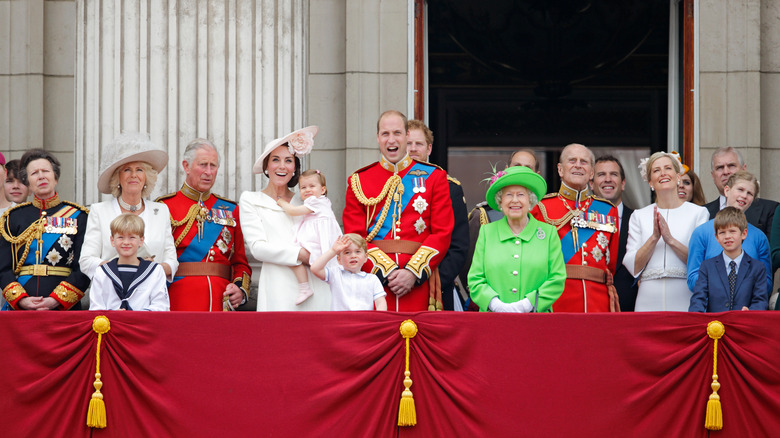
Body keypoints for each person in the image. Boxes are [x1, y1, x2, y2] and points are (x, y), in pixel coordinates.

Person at [342, 110, 453, 312]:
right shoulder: (359, 180)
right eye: (385, 134)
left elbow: (442, 233)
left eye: (397, 133)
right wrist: (387, 271)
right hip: (374, 281)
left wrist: (412, 272)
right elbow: (355, 235)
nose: (391, 140)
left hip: (418, 281)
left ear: (407, 135)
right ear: (377, 137)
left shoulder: (434, 177)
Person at [240, 126, 331, 311]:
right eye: (275, 160)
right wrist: (301, 255)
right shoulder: (251, 200)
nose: (282, 166)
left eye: (288, 160)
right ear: (266, 166)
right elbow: (258, 248)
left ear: (295, 168)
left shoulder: (306, 200)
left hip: (317, 285)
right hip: (278, 286)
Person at [157, 138, 251, 311]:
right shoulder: (164, 207)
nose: (208, 172)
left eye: (213, 166)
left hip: (220, 300)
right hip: (178, 298)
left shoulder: (231, 209)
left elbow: (240, 263)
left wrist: (239, 288)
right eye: (203, 165)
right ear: (186, 166)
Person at [531, 143, 620, 312]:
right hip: (557, 299)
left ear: (591, 172)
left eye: (584, 162)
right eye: (572, 160)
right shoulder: (542, 208)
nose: (578, 165)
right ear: (560, 169)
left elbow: (611, 263)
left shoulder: (608, 210)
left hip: (598, 301)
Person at [80, 132, 178, 282]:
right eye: (127, 170)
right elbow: (86, 261)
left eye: (139, 169)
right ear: (117, 177)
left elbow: (172, 261)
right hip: (111, 293)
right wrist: (120, 268)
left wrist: (151, 269)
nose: (133, 175)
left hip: (149, 294)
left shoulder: (161, 211)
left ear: (146, 177)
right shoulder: (99, 211)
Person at [0, 149, 89, 310]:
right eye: (34, 173)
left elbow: (83, 267)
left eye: (45, 171)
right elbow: (3, 268)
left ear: (55, 177)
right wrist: (21, 300)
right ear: (27, 183)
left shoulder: (79, 216)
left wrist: (57, 300)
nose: (41, 176)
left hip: (64, 308)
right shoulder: (12, 217)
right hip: (21, 308)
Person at [468, 166, 565, 312]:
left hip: (536, 321)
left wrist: (528, 304)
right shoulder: (487, 232)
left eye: (520, 195)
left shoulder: (549, 233)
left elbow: (556, 279)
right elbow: (475, 279)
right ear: (500, 202)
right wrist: (494, 304)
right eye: (508, 195)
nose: (514, 200)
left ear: (530, 200)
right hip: (493, 320)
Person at [623, 152, 709, 311]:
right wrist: (654, 238)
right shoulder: (639, 216)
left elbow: (701, 261)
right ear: (650, 182)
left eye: (668, 168)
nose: (662, 173)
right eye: (656, 170)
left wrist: (670, 240)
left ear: (678, 176)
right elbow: (633, 266)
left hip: (685, 293)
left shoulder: (698, 213)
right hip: (648, 296)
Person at [460, 148, 540, 308]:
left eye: (527, 167)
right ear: (506, 169)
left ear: (537, 174)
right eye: (516, 165)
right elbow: (468, 269)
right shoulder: (483, 216)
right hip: (491, 307)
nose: (520, 170)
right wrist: (491, 301)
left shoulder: (545, 216)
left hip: (534, 310)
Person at [407, 119, 469, 310]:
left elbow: (458, 246)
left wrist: (431, 281)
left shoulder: (450, 188)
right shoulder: (387, 187)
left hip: (436, 288)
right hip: (393, 285)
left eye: (419, 144)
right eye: (408, 143)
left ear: (429, 149)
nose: (413, 149)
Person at [687, 171, 771, 293]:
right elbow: (692, 280)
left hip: (746, 309)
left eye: (749, 193)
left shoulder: (759, 237)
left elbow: (766, 284)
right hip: (712, 309)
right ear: (727, 190)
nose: (744, 195)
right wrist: (725, 286)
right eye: (740, 189)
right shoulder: (702, 232)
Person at [276, 168, 342, 305]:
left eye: (312, 186)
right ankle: (304, 287)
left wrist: (281, 202)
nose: (307, 190)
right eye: (303, 187)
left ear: (322, 190)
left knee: (293, 255)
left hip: (317, 240)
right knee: (293, 256)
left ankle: (304, 287)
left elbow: (293, 211)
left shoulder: (316, 202)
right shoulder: (323, 202)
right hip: (316, 238)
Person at [689, 207, 769, 312]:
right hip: (714, 325)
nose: (727, 236)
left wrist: (751, 312)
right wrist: (698, 318)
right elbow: (698, 299)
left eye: (732, 231)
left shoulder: (757, 267)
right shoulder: (707, 267)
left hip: (744, 324)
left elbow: (761, 300)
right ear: (716, 237)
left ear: (744, 234)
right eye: (722, 232)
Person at [89, 213, 170, 311]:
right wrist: (115, 316)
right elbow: (96, 308)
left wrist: (132, 317)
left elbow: (161, 307)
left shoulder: (155, 271)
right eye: (121, 237)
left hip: (143, 325)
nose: (126, 242)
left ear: (141, 240)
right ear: (112, 240)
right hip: (110, 325)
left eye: (132, 237)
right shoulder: (101, 272)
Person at [589, 155, 638, 311]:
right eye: (601, 174)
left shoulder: (639, 219)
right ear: (591, 183)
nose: (608, 179)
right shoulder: (579, 221)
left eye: (614, 174)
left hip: (630, 309)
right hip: (591, 306)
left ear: (623, 183)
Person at [704, 147, 778, 240]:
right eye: (720, 167)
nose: (726, 172)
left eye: (731, 165)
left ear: (744, 169)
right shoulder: (703, 212)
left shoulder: (770, 210)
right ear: (713, 175)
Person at [310, 233, 387, 311]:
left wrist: (379, 320)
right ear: (339, 260)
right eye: (347, 252)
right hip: (340, 321)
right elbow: (315, 268)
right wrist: (333, 251)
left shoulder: (372, 279)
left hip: (364, 321)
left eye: (357, 251)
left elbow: (380, 303)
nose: (353, 255)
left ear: (365, 257)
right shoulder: (335, 274)